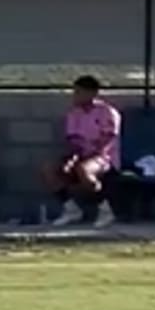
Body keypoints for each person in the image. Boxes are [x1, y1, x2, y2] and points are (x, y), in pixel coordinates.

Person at [43, 75, 119, 228]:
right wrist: (73, 157)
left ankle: (105, 211)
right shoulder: (74, 113)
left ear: (92, 93)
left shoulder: (107, 112)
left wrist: (89, 155)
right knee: (49, 169)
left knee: (84, 170)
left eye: (79, 92)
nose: (75, 96)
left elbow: (108, 140)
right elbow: (73, 140)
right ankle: (71, 210)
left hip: (103, 158)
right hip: (81, 155)